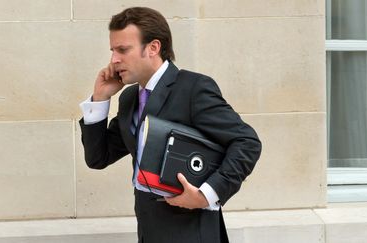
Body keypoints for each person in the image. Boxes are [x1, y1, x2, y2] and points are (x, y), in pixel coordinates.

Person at [79, 7, 261, 243]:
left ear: (153, 47)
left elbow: (247, 142)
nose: (114, 59)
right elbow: (98, 158)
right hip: (149, 230)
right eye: (113, 50)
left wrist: (207, 194)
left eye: (123, 50)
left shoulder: (193, 89)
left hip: (192, 233)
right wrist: (100, 98)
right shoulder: (129, 98)